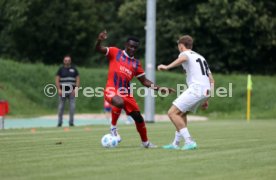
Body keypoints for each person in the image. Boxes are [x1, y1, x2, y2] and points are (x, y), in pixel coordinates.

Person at [95, 30, 175, 148]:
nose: (133, 49)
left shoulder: (136, 64)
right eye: (131, 46)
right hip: (111, 90)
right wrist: (99, 40)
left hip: (126, 94)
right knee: (119, 102)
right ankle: (113, 128)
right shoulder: (115, 52)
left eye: (135, 47)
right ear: (126, 45)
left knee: (139, 119)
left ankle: (146, 143)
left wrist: (160, 89)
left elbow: (145, 81)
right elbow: (98, 49)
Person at [158, 35, 215, 150]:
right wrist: (207, 98)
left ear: (181, 45)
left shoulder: (185, 54)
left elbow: (183, 58)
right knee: (181, 114)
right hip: (205, 90)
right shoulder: (201, 57)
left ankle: (189, 141)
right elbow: (212, 80)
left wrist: (167, 67)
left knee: (172, 113)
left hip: (196, 88)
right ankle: (176, 143)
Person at [55, 55, 80, 127]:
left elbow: (78, 80)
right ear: (64, 61)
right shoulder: (61, 69)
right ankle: (60, 122)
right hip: (62, 91)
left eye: (68, 60)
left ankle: (71, 123)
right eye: (66, 60)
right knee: (61, 107)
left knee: (72, 107)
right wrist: (59, 89)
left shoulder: (74, 69)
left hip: (72, 91)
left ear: (70, 61)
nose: (67, 61)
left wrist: (76, 89)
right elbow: (57, 80)